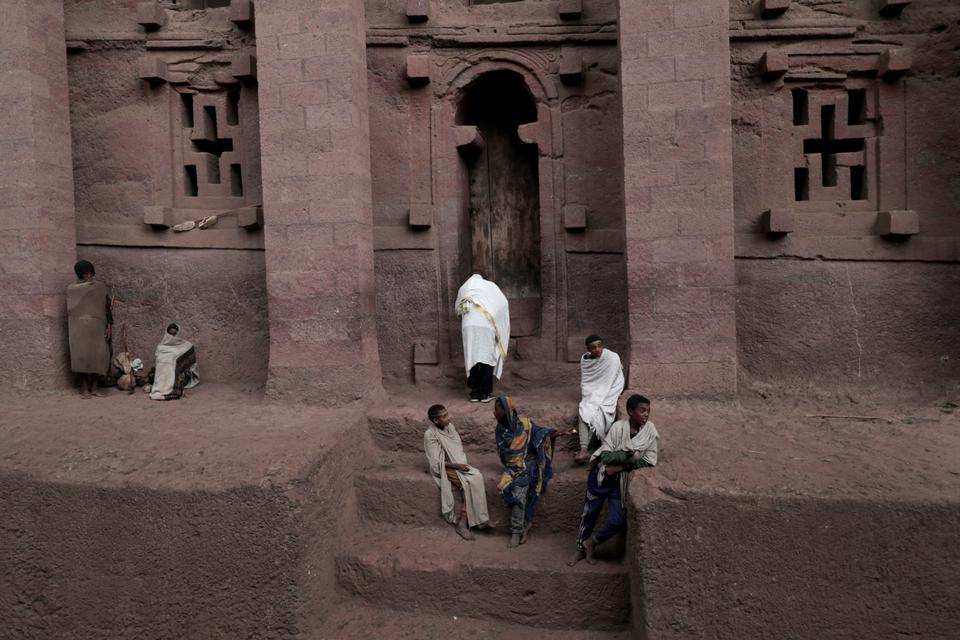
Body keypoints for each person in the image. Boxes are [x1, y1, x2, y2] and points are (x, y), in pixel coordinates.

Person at [568, 394, 658, 566]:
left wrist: (622, 467)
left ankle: (592, 542)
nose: (646, 414)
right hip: (600, 478)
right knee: (589, 514)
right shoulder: (618, 428)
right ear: (630, 411)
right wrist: (626, 455)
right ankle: (580, 550)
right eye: (642, 411)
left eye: (648, 411)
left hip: (619, 482)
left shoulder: (649, 431)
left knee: (617, 520)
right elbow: (607, 457)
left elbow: (649, 460)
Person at [423, 404, 497, 540]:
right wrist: (458, 466)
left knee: (478, 476)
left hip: (458, 464)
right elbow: (435, 463)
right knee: (468, 485)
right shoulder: (430, 435)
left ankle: (481, 519)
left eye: (447, 414)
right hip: (444, 468)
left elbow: (457, 450)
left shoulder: (449, 427)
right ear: (435, 421)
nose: (449, 417)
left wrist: (461, 465)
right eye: (444, 416)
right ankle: (462, 524)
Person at [493, 396, 558, 548]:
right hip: (513, 467)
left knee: (519, 492)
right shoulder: (500, 430)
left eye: (497, 409)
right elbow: (504, 453)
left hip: (529, 466)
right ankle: (524, 526)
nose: (494, 413)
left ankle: (516, 531)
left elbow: (539, 433)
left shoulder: (525, 423)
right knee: (506, 487)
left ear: (507, 411)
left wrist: (551, 435)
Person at [455, 273, 510, 403]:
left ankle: (474, 393)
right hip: (486, 324)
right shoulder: (490, 286)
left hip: (468, 326)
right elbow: (503, 302)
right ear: (483, 279)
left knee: (472, 357)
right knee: (486, 357)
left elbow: (457, 309)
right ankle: (485, 394)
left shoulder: (464, 288)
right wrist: (494, 314)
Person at [574, 334, 625, 464]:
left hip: (610, 389)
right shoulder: (585, 360)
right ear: (588, 349)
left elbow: (612, 378)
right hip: (593, 392)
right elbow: (587, 381)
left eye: (599, 346)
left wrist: (601, 394)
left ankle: (584, 450)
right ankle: (584, 449)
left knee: (597, 411)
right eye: (593, 347)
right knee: (584, 409)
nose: (597, 349)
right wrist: (593, 394)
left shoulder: (612, 358)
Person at [66, 260, 112, 398]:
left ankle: (95, 388)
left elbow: (107, 307)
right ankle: (84, 389)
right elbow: (72, 310)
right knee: (82, 357)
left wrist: (109, 325)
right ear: (80, 274)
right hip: (79, 329)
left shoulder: (100, 287)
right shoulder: (72, 289)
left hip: (97, 327)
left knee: (99, 357)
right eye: (86, 273)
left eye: (91, 273)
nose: (89, 275)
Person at [149, 323, 199, 400]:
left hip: (178, 376)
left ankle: (173, 388)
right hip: (162, 377)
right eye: (170, 333)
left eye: (174, 333)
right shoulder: (161, 347)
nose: (172, 336)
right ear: (166, 333)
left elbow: (190, 354)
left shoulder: (185, 345)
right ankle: (162, 387)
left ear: (178, 333)